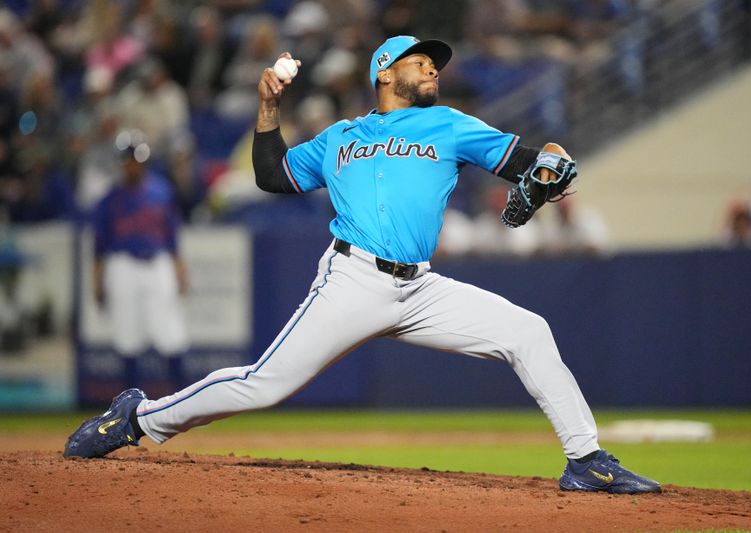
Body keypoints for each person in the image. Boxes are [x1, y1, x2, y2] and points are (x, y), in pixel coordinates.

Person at [65, 36, 660, 495]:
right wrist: (268, 110)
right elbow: (273, 176)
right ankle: (137, 420)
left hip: (420, 287)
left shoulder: (452, 125)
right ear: (385, 70)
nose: (432, 68)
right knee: (264, 384)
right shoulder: (340, 136)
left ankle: (586, 461)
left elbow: (532, 162)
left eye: (436, 64)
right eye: (419, 61)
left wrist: (552, 165)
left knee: (528, 331)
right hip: (351, 278)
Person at [90, 143, 189, 389]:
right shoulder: (110, 198)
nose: (132, 165)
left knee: (169, 330)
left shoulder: (161, 191)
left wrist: (179, 269)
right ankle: (131, 403)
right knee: (127, 334)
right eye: (128, 160)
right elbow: (99, 246)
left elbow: (172, 237)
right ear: (122, 163)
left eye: (136, 160)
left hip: (157, 262)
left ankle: (182, 397)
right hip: (122, 264)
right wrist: (97, 281)